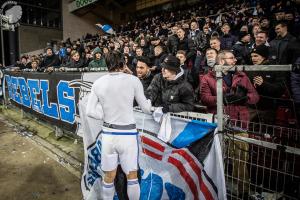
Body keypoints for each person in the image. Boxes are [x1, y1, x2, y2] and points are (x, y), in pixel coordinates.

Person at [86, 52, 152, 200]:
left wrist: (106, 115)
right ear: (123, 64)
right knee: (132, 177)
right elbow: (146, 108)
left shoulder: (98, 83)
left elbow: (90, 111)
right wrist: (150, 104)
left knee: (109, 177)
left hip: (109, 134)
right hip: (128, 135)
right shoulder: (134, 80)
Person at [200, 50, 259, 127]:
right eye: (231, 58)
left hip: (240, 121)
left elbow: (255, 96)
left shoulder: (242, 76)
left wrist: (245, 98)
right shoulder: (207, 78)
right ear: (221, 61)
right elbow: (205, 99)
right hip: (218, 121)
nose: (235, 60)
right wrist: (223, 99)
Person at [248, 45, 288, 124]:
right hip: (252, 109)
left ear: (263, 57)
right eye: (252, 56)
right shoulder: (250, 69)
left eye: (256, 56)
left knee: (267, 133)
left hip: (268, 109)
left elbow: (280, 89)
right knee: (251, 133)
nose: (253, 58)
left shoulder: (275, 69)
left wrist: (264, 84)